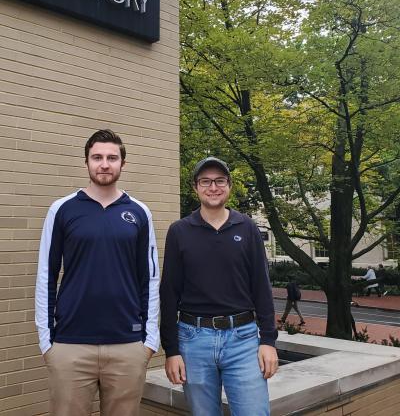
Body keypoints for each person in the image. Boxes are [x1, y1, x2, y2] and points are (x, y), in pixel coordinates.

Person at [35, 129, 160, 416]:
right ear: (87, 162)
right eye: (97, 157)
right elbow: (46, 275)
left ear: (122, 164)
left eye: (112, 158)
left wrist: (149, 340)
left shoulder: (140, 212)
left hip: (128, 345)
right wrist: (47, 340)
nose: (104, 164)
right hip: (70, 345)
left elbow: (150, 278)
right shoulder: (62, 209)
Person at [160, 156, 278, 416]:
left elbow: (261, 287)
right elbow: (168, 293)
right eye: (206, 181)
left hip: (243, 339)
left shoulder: (246, 227)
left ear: (229, 186)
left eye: (219, 181)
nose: (213, 187)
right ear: (195, 187)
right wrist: (171, 350)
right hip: (193, 339)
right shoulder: (180, 231)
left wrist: (268, 340)